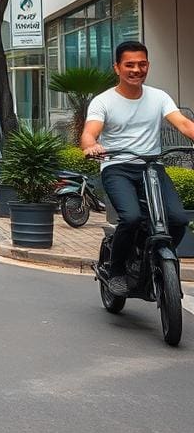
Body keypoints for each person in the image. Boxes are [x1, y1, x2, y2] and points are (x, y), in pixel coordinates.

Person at [81, 41, 194, 297]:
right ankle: (118, 270)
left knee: (178, 220)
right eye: (129, 65)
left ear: (148, 66)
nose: (136, 69)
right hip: (118, 167)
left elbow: (184, 124)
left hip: (152, 167)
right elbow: (89, 133)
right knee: (130, 218)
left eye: (141, 64)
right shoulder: (103, 101)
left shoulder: (159, 97)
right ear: (117, 68)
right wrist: (92, 146)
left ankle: (153, 257)